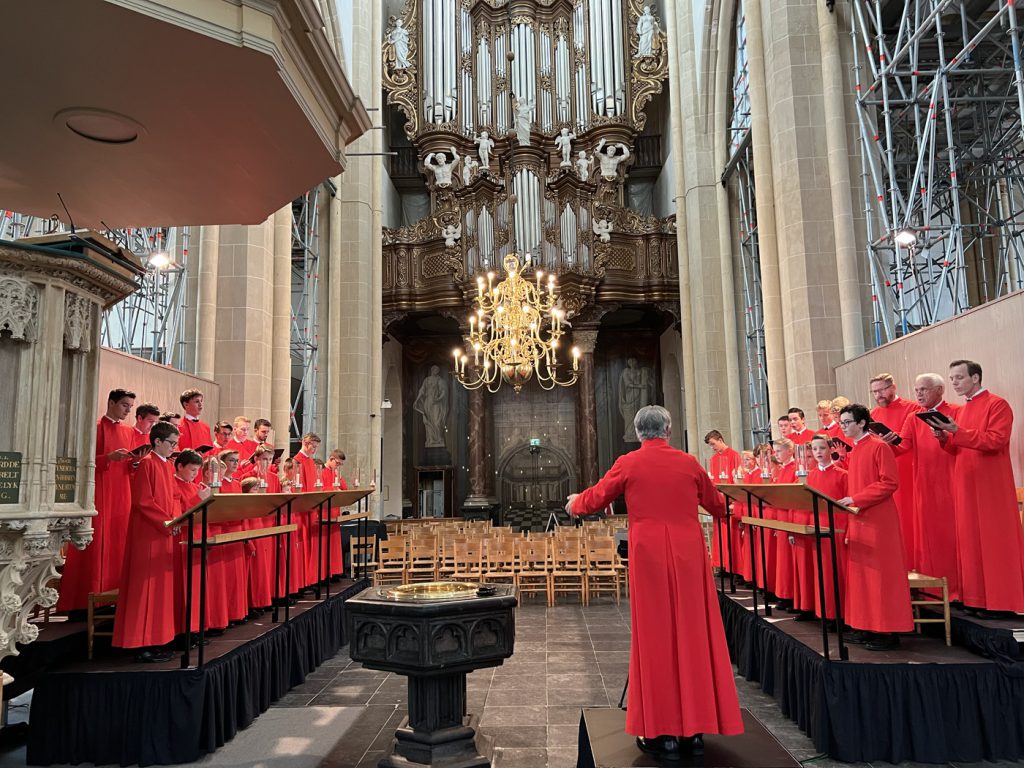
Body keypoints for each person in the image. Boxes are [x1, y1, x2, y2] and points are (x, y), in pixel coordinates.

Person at [566, 406, 743, 758]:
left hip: (649, 557)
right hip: (689, 556)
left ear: (637, 432)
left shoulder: (629, 463)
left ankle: (663, 733)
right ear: (669, 429)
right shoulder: (689, 463)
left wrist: (575, 504)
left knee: (655, 638)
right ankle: (695, 731)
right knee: (695, 635)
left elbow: (596, 497)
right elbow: (718, 505)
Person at [930, 360, 1024, 617]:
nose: (954, 382)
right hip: (966, 482)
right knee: (970, 541)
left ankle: (1002, 602)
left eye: (959, 377)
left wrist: (957, 431)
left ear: (975, 377)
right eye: (951, 378)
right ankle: (976, 599)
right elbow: (956, 448)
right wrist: (944, 437)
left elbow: (996, 440)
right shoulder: (962, 410)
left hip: (990, 484)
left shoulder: (997, 404)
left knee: (994, 541)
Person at [836, 404, 913, 651]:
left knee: (880, 576)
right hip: (859, 517)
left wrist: (856, 499)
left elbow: (889, 483)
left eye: (847, 422)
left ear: (861, 423)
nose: (843, 427)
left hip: (879, 519)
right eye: (841, 422)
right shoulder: (857, 449)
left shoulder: (879, 446)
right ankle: (865, 625)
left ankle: (887, 630)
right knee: (862, 577)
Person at [58, 388, 136, 614]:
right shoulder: (95, 427)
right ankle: (82, 602)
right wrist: (108, 458)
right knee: (95, 543)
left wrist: (134, 463)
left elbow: (128, 466)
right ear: (111, 402)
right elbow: (82, 462)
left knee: (118, 542)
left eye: (130, 407)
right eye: (124, 405)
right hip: (99, 492)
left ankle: (112, 597)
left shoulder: (129, 431)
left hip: (121, 492)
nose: (127, 410)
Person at [111, 421, 180, 662]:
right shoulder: (147, 464)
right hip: (148, 535)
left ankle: (157, 639)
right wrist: (167, 522)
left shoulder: (167, 466)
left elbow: (175, 496)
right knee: (146, 590)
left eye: (176, 443)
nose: (174, 447)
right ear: (157, 441)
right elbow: (143, 501)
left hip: (164, 533)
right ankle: (141, 644)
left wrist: (177, 518)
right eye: (171, 443)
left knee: (160, 590)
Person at [894, 373, 961, 597]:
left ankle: (958, 589)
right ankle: (932, 588)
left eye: (923, 389)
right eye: (916, 390)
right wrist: (886, 441)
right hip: (925, 484)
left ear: (940, 390)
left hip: (951, 481)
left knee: (953, 537)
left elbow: (961, 443)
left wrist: (945, 437)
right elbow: (902, 446)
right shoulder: (914, 417)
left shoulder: (956, 412)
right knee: (931, 538)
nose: (919, 394)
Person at [869, 373, 921, 561]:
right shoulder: (873, 415)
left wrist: (895, 439)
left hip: (908, 470)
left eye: (882, 390)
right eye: (875, 392)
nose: (878, 395)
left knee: (910, 519)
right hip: (885, 473)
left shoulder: (913, 408)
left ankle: (914, 562)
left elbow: (918, 440)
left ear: (893, 387)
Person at [804, 435, 848, 623]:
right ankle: (824, 613)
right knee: (821, 572)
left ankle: (841, 615)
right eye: (815, 449)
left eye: (822, 448)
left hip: (837, 529)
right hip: (817, 529)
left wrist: (848, 531)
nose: (818, 452)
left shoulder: (842, 474)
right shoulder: (810, 476)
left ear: (831, 449)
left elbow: (849, 506)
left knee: (837, 573)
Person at [170, 450, 211, 635]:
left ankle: (196, 629)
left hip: (197, 540)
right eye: (192, 470)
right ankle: (184, 630)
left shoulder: (195, 487)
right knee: (184, 588)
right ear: (180, 466)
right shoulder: (172, 484)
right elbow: (178, 514)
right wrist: (198, 499)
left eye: (197, 471)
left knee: (197, 588)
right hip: (183, 542)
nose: (195, 474)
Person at [704, 430, 741, 575]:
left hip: (730, 499)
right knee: (719, 534)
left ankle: (731, 565)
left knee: (730, 535)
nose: (712, 447)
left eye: (713, 444)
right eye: (710, 445)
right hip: (719, 499)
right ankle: (721, 563)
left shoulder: (734, 455)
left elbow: (736, 479)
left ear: (720, 440)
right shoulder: (713, 459)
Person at [293, 433, 323, 587]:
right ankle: (304, 580)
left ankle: (312, 578)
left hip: (312, 508)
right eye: (313, 446)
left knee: (312, 545)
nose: (315, 450)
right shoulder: (297, 460)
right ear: (306, 443)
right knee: (304, 545)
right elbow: (298, 487)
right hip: (302, 510)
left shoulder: (310, 461)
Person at [414, 366, 449, 449]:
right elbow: (422, 390)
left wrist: (438, 399)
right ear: (431, 370)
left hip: (436, 403)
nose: (435, 371)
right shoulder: (427, 380)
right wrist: (417, 400)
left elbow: (443, 392)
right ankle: (430, 440)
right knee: (428, 421)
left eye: (437, 370)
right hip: (428, 402)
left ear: (438, 371)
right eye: (434, 369)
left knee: (437, 422)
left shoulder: (440, 380)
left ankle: (438, 439)